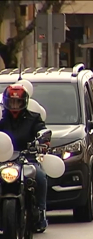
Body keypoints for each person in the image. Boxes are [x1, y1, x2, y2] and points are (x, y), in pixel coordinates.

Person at [0, 84, 49, 233]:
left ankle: (40, 212)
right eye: (11, 102)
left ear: (24, 102)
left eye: (18, 102)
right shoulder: (1, 119)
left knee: (40, 177)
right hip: (3, 159)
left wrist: (43, 141)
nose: (14, 106)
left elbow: (42, 131)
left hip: (26, 157)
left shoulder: (33, 118)